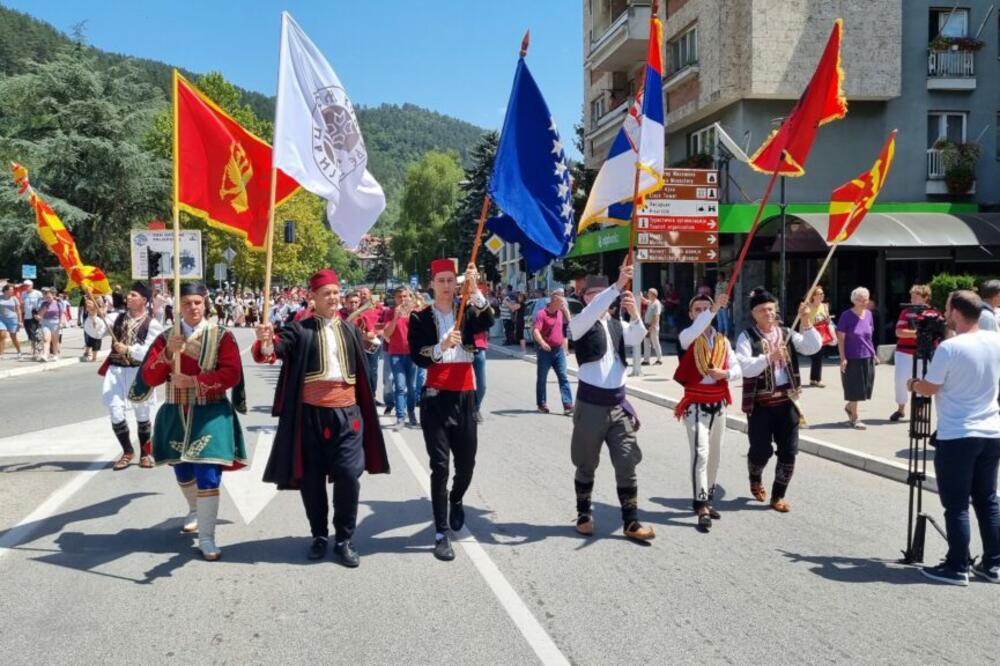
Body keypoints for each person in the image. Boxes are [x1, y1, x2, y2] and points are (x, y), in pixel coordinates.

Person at [253, 269, 388, 567]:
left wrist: (372, 341)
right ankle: (318, 535)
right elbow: (275, 349)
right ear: (313, 298)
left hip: (349, 415)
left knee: (349, 475)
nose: (333, 298)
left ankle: (344, 539)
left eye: (336, 292)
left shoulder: (350, 329)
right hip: (311, 415)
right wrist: (265, 341)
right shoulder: (299, 329)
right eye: (326, 293)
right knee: (312, 480)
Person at [129, 282, 248, 561]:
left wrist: (194, 381)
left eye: (198, 302)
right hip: (175, 411)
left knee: (208, 473)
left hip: (211, 412)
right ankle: (195, 508)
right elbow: (149, 378)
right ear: (178, 306)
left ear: (205, 303)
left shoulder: (222, 336)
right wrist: (168, 354)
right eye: (187, 303)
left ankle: (207, 537)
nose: (193, 307)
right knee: (182, 470)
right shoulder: (168, 337)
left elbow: (231, 374)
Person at [910, 290, 1000, 586]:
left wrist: (913, 383)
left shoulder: (950, 348)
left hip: (958, 433)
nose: (944, 314)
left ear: (957, 314)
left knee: (957, 503)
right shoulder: (996, 340)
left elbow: (931, 388)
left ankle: (957, 566)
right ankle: (994, 564)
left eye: (947, 309)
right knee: (987, 499)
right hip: (991, 431)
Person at [408, 259, 494, 562]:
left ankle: (456, 500)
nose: (446, 286)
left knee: (467, 463)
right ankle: (441, 533)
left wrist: (475, 289)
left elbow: (488, 321)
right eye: (441, 281)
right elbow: (417, 356)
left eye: (450, 281)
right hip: (435, 396)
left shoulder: (466, 311)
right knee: (440, 467)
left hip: (466, 395)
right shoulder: (420, 318)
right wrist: (441, 346)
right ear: (432, 284)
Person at [567, 267, 655, 542]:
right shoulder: (580, 322)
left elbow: (637, 336)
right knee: (586, 463)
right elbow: (594, 310)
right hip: (590, 404)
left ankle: (631, 521)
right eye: (592, 295)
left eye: (600, 295)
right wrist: (615, 286)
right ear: (585, 300)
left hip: (618, 404)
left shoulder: (618, 324)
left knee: (627, 461)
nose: (597, 300)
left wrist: (636, 313)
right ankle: (583, 514)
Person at [736, 287, 820, 512]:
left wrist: (805, 320)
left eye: (771, 309)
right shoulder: (747, 337)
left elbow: (813, 347)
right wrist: (768, 357)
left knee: (789, 451)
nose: (768, 314)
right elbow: (744, 366)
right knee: (761, 450)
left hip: (787, 401)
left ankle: (778, 496)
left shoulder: (787, 332)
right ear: (754, 313)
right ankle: (755, 476)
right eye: (763, 310)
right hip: (761, 404)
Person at [674, 292, 741, 531]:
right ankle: (700, 502)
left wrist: (726, 374)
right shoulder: (687, 337)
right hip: (695, 404)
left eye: (707, 308)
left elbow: (737, 367)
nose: (703, 313)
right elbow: (694, 331)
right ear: (691, 314)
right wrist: (713, 310)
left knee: (714, 454)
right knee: (700, 453)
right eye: (698, 309)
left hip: (719, 403)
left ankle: (709, 498)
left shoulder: (722, 340)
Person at [84, 283, 163, 470]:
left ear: (144, 300)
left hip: (138, 371)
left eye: (133, 295)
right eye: (128, 295)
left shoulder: (152, 324)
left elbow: (154, 352)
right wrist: (93, 314)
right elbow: (96, 331)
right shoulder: (115, 318)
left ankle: (145, 453)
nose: (128, 297)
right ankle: (127, 451)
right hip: (116, 371)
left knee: (142, 411)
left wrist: (129, 349)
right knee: (115, 411)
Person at [837, 287, 877, 430]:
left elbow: (869, 336)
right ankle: (854, 418)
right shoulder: (846, 316)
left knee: (864, 389)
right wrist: (843, 358)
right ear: (853, 300)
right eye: (859, 299)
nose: (863, 302)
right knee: (854, 389)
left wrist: (874, 353)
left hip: (867, 355)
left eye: (865, 299)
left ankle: (849, 407)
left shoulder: (869, 315)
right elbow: (840, 338)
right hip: (852, 356)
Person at [891, 284, 932, 422]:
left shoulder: (932, 312)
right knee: (901, 380)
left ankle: (919, 412)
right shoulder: (906, 312)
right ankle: (900, 409)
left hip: (923, 352)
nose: (912, 299)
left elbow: (934, 334)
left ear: (925, 298)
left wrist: (914, 334)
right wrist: (919, 333)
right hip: (904, 351)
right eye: (911, 296)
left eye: (916, 296)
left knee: (921, 380)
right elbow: (899, 332)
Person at [533, 287, 573, 415]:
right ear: (554, 299)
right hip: (545, 351)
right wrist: (542, 342)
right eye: (561, 298)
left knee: (563, 377)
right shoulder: (542, 313)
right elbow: (535, 331)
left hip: (558, 350)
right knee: (542, 378)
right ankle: (542, 404)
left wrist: (565, 309)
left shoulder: (561, 312)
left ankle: (568, 405)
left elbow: (570, 322)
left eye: (563, 297)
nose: (563, 300)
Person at [383, 286, 419, 429]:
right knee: (400, 386)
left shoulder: (415, 312)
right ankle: (400, 417)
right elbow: (387, 334)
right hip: (396, 354)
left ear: (409, 297)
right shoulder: (390, 312)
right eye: (400, 297)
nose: (403, 299)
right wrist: (396, 317)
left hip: (412, 354)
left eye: (405, 296)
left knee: (412, 387)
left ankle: (411, 412)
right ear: (395, 298)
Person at [801, 286, 835, 388]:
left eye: (822, 293)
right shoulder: (808, 306)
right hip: (811, 332)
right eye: (819, 294)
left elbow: (827, 319)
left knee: (818, 357)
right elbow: (803, 320)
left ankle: (815, 379)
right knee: (816, 357)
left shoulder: (824, 306)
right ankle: (815, 379)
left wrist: (828, 320)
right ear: (813, 296)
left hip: (822, 333)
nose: (822, 295)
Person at [37, 288, 66, 360]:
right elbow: (40, 315)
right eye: (46, 297)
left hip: (55, 323)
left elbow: (62, 314)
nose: (48, 298)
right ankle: (45, 355)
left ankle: (55, 354)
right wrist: (39, 315)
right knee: (46, 339)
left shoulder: (58, 303)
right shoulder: (44, 303)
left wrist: (61, 323)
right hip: (45, 322)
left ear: (53, 295)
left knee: (55, 340)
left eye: (49, 297)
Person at [0, 284, 23, 358]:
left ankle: (19, 351)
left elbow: (18, 310)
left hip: (12, 319)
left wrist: (20, 321)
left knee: (13, 337)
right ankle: (1, 353)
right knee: (2, 334)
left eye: (13, 290)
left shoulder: (14, 298)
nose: (12, 291)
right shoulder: (0, 297)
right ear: (6, 290)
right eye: (11, 290)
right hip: (1, 319)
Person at [642, 288, 663, 365]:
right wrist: (640, 297)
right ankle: (646, 360)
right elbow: (645, 301)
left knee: (655, 342)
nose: (647, 294)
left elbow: (656, 315)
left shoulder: (656, 303)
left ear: (654, 295)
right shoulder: (651, 302)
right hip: (647, 325)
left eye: (649, 293)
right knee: (646, 342)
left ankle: (659, 359)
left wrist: (653, 325)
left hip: (652, 325)